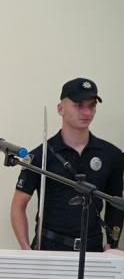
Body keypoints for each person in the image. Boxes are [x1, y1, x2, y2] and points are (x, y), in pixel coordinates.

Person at [11, 77, 123, 252]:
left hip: (93, 249)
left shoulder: (112, 154)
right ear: (60, 109)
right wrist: (26, 248)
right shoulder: (40, 155)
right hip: (50, 248)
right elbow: (18, 205)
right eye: (79, 105)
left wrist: (112, 244)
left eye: (92, 106)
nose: (87, 112)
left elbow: (116, 204)